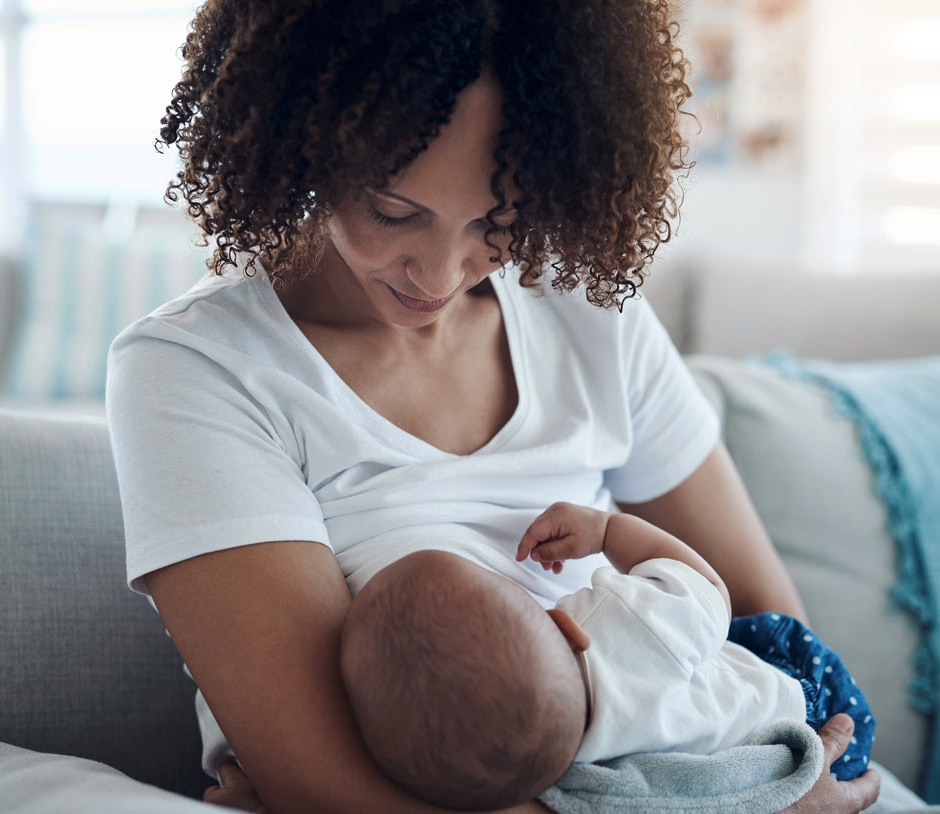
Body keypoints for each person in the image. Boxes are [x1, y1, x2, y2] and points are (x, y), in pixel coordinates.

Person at [105, 1, 883, 812]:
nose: (439, 276)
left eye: (498, 222)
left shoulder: (588, 313)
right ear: (299, 135)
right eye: (394, 212)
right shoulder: (198, 369)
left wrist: (763, 786)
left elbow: (779, 642)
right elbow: (328, 786)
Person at [338, 502, 875, 811]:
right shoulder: (620, 624)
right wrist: (609, 531)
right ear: (566, 626)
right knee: (751, 633)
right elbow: (708, 590)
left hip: (767, 770)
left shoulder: (558, 779)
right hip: (806, 702)